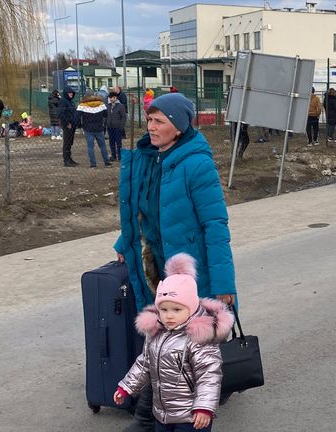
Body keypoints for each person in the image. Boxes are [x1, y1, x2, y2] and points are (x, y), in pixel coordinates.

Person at [113, 92, 237, 431]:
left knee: (193, 343)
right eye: (149, 119)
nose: (151, 127)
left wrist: (224, 283)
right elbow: (140, 211)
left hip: (192, 271)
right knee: (160, 334)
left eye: (159, 122)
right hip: (155, 265)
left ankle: (194, 411)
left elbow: (215, 224)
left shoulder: (197, 164)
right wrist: (124, 242)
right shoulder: (147, 159)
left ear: (178, 128)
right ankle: (150, 410)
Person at [114, 253, 234, 432]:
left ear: (191, 308)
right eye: (163, 309)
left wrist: (203, 407)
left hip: (191, 416)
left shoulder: (199, 337)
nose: (169, 315)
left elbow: (209, 375)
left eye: (177, 309)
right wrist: (126, 387)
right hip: (162, 414)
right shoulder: (156, 332)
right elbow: (145, 363)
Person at [77, 94, 111, 167]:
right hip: (99, 128)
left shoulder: (82, 105)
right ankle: (107, 162)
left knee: (90, 147)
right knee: (102, 146)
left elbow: (77, 117)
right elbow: (105, 114)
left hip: (88, 128)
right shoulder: (101, 104)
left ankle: (93, 164)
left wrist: (80, 125)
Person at [59, 87, 79, 166]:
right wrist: (67, 123)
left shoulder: (70, 102)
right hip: (68, 125)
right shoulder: (63, 101)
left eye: (71, 93)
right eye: (69, 93)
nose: (71, 94)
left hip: (72, 124)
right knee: (67, 142)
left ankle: (69, 158)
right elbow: (61, 114)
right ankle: (66, 160)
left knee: (70, 142)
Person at [107, 93, 127, 161]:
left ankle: (119, 156)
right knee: (111, 142)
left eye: (114, 97)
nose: (113, 99)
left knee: (118, 142)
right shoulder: (108, 106)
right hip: (110, 127)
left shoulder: (120, 106)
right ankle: (113, 155)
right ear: (109, 98)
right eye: (111, 97)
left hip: (117, 127)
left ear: (116, 98)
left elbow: (123, 117)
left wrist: (121, 126)